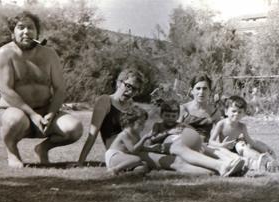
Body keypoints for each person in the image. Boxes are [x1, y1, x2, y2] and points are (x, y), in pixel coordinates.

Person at [78, 69, 243, 177]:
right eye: (127, 86)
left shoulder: (132, 106)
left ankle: (222, 167)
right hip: (123, 151)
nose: (130, 91)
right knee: (175, 161)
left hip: (139, 147)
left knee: (177, 148)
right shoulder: (105, 101)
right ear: (119, 82)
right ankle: (220, 167)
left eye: (135, 89)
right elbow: (92, 133)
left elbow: (144, 129)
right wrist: (81, 161)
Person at [0, 11, 83, 168]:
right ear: (12, 32)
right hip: (16, 113)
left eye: (30, 27)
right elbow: (6, 91)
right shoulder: (4, 54)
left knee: (74, 128)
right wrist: (33, 115)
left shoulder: (49, 54)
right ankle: (12, 153)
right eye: (21, 27)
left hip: (45, 112)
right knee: (14, 120)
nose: (26, 32)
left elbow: (60, 88)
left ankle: (43, 149)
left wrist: (51, 113)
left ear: (37, 32)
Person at [209, 95, 279, 172]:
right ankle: (260, 163)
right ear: (226, 111)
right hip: (225, 149)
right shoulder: (221, 124)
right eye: (234, 111)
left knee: (243, 146)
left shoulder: (242, 126)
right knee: (241, 151)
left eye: (240, 112)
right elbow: (211, 141)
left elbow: (251, 142)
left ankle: (265, 160)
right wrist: (222, 145)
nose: (236, 114)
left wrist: (265, 150)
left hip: (238, 148)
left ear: (243, 114)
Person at [105, 106, 156, 175]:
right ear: (130, 123)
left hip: (125, 157)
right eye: (140, 124)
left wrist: (152, 149)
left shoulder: (136, 134)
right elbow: (133, 151)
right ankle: (114, 170)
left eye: (144, 123)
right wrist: (144, 138)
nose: (143, 126)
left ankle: (127, 172)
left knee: (144, 166)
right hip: (114, 156)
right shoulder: (125, 134)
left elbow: (139, 148)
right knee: (137, 159)